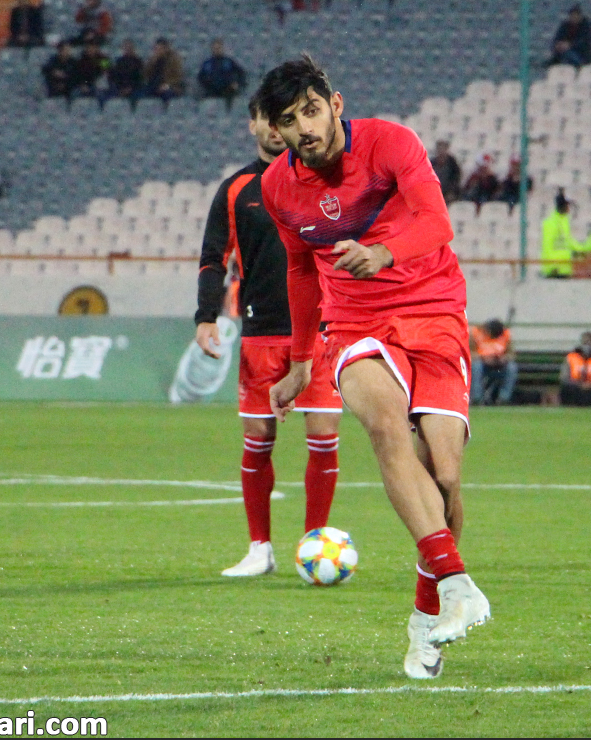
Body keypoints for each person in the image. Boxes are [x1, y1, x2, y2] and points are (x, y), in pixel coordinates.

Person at [255, 56, 491, 680]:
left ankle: (425, 622)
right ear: (276, 132)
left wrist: (385, 252)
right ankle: (459, 582)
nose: (304, 128)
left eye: (310, 110)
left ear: (335, 103)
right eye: (288, 120)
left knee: (444, 477)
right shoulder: (278, 187)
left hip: (435, 309)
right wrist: (302, 359)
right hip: (355, 325)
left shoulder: (391, 143)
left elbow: (438, 223)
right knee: (386, 427)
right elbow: (301, 270)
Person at [196, 98, 343, 579]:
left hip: (320, 330)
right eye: (272, 119)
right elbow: (213, 257)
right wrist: (206, 315)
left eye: (288, 119)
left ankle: (313, 543)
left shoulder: (320, 177)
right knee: (259, 438)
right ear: (254, 125)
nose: (280, 129)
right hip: (261, 331)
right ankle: (260, 548)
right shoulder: (237, 189)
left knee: (323, 436)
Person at [470, 319, 517, 406]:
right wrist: (483, 358)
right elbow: (468, 354)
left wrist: (504, 358)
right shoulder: (475, 333)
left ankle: (503, 399)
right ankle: (477, 398)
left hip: (499, 366)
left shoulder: (505, 335)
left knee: (512, 367)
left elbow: (512, 355)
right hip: (482, 366)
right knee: (476, 366)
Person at [559, 331, 591, 406]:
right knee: (566, 389)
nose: (588, 345)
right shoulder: (571, 357)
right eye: (585, 343)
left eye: (590, 342)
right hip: (576, 389)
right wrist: (579, 385)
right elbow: (564, 377)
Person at [197, 39, 246, 111]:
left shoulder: (229, 61)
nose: (217, 50)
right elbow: (200, 77)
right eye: (215, 48)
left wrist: (237, 83)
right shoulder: (207, 63)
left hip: (227, 89)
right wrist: (206, 84)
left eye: (219, 48)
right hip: (212, 90)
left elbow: (241, 73)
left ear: (222, 49)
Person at [540, 192, 580, 278]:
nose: (569, 208)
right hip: (554, 271)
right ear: (562, 206)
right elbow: (547, 246)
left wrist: (580, 250)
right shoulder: (550, 222)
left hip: (565, 269)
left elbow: (568, 241)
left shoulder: (565, 222)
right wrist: (553, 266)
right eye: (567, 205)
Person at [144, 38, 186, 104]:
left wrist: (167, 85)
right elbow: (146, 75)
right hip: (155, 85)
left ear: (165, 49)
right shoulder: (152, 60)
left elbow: (177, 77)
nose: (157, 51)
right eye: (156, 49)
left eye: (160, 49)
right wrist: (152, 63)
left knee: (167, 94)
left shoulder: (174, 60)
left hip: (171, 86)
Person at [106, 39, 144, 106]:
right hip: (120, 89)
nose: (128, 49)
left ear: (133, 48)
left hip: (134, 89)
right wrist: (121, 89)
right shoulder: (118, 62)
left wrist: (130, 88)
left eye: (130, 48)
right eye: (126, 47)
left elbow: (140, 78)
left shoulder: (138, 62)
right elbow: (114, 77)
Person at [429, 140, 461, 205]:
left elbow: (456, 180)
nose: (441, 151)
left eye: (443, 148)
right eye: (439, 149)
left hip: (448, 194)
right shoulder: (431, 163)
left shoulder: (453, 165)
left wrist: (451, 192)